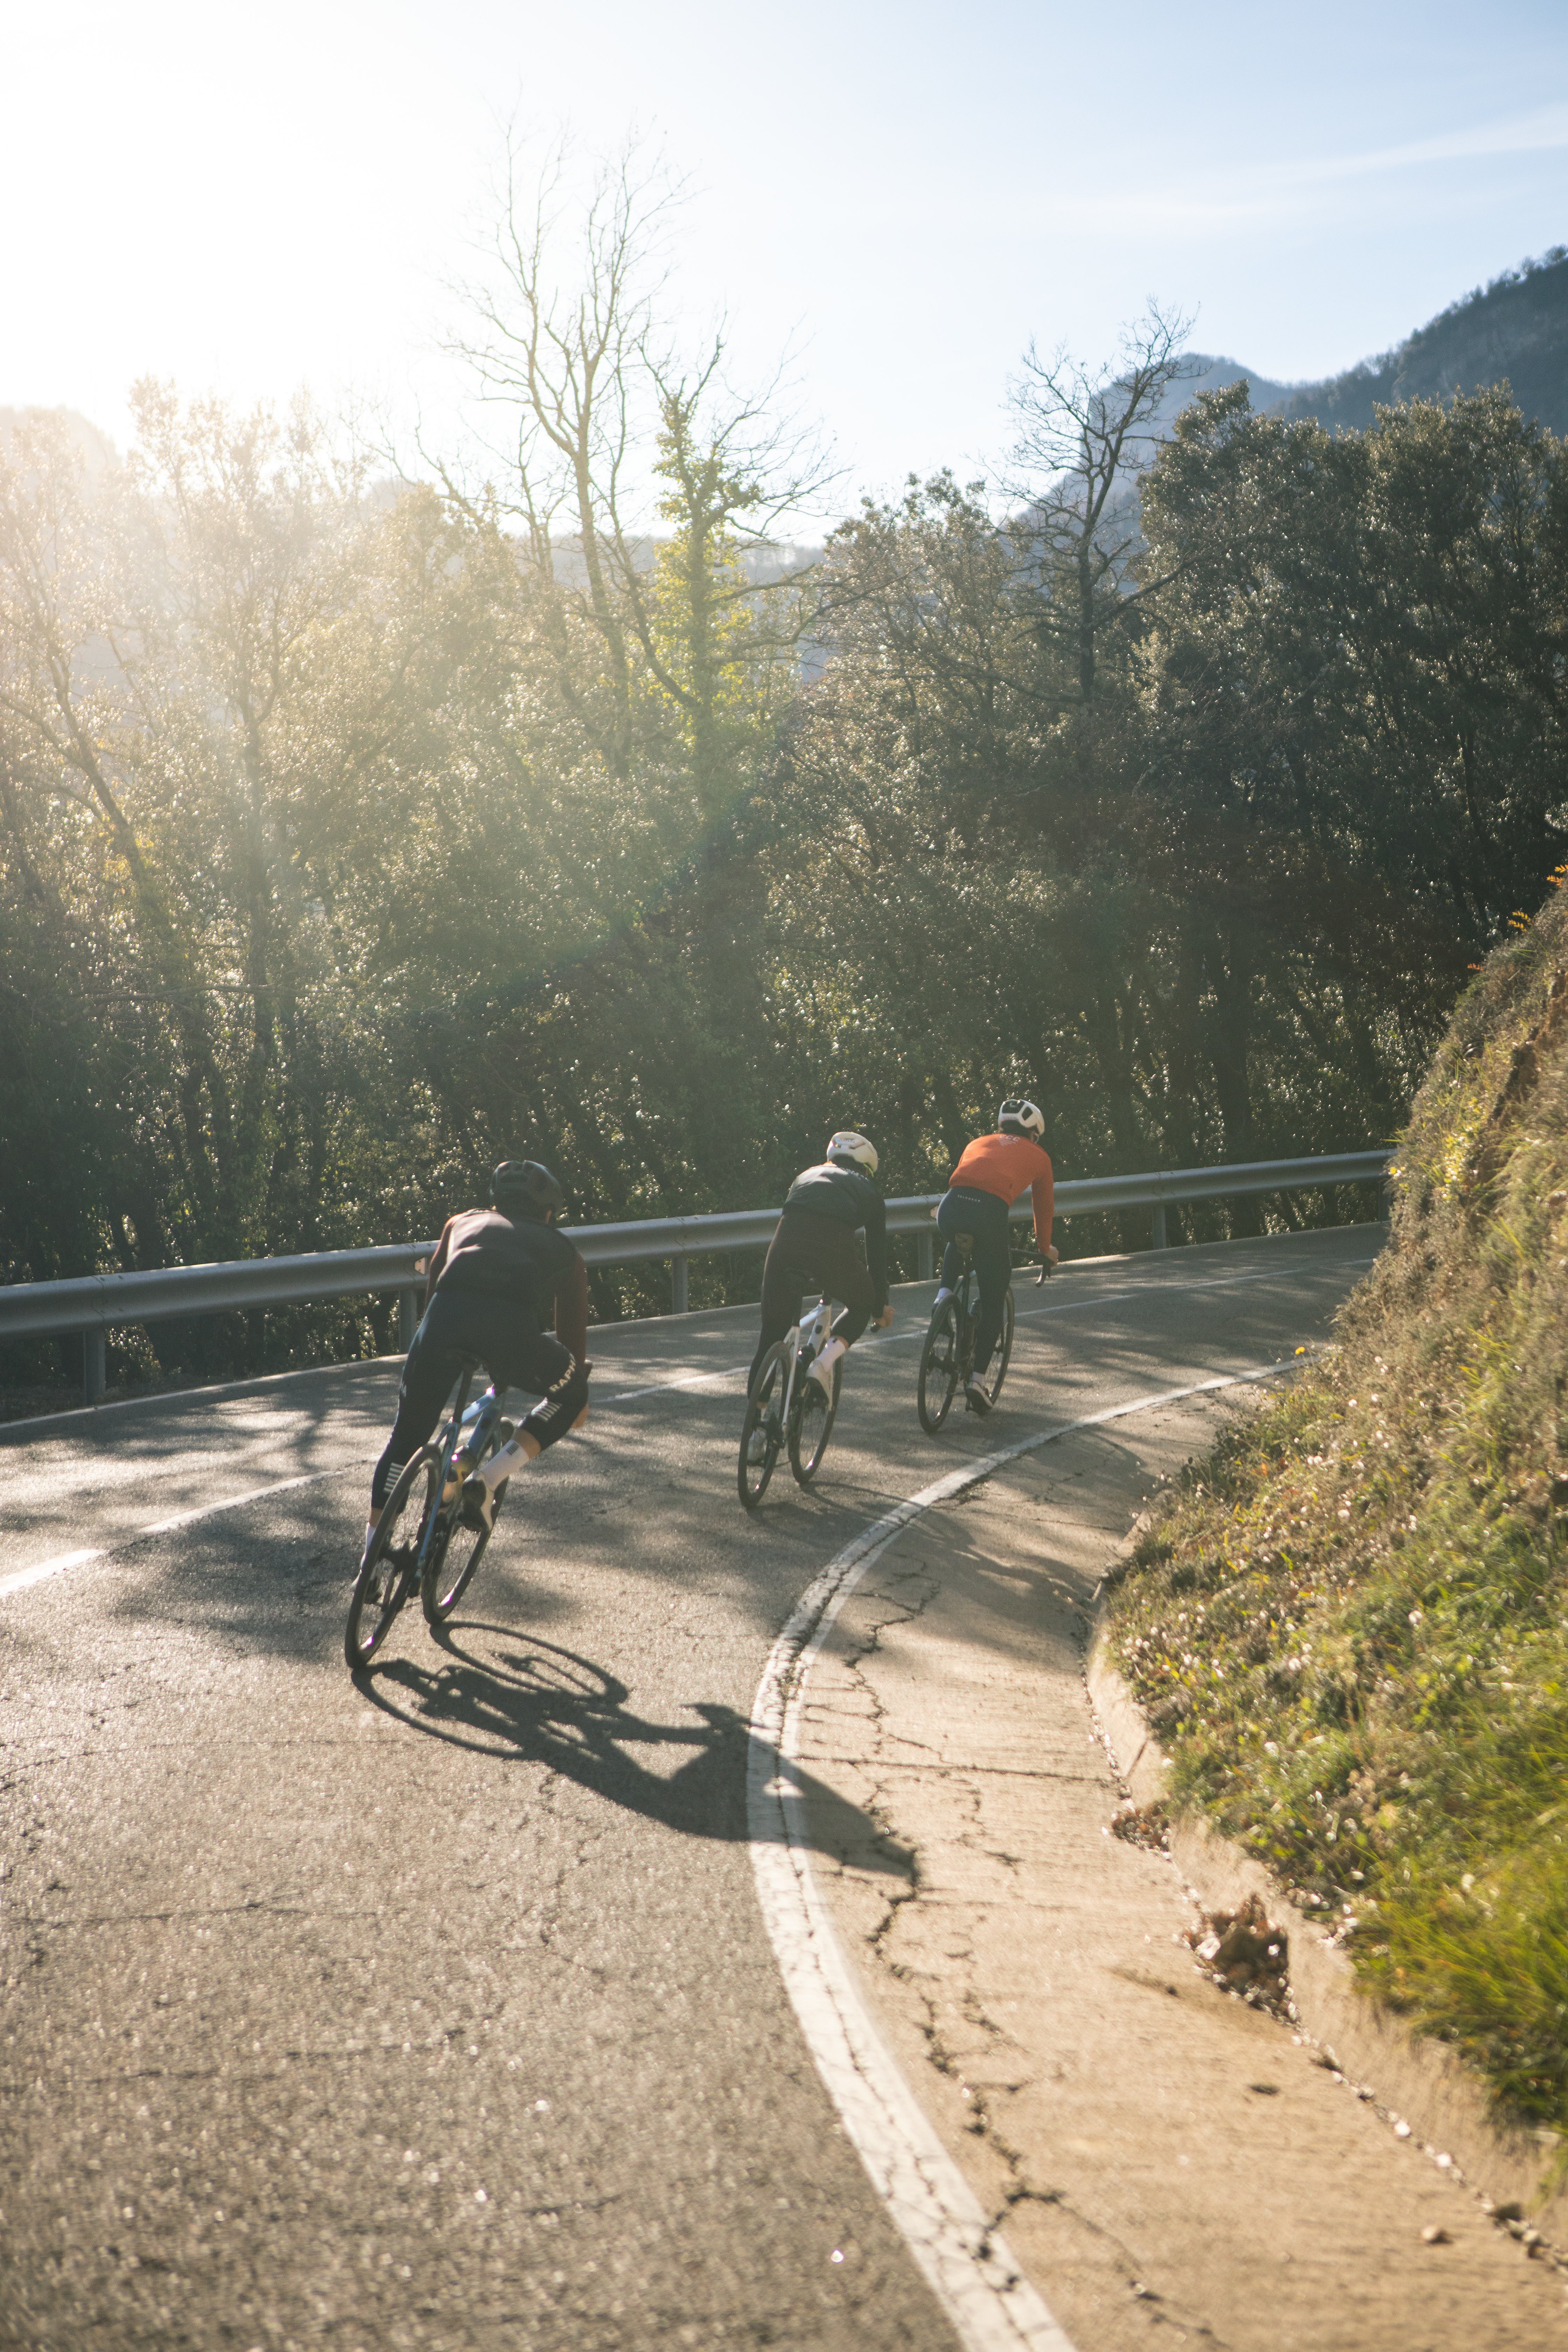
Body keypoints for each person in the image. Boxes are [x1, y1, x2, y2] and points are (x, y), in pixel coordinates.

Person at [364, 1159, 591, 1559]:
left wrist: (436, 1346)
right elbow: (572, 1343)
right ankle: (486, 1482)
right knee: (573, 1396)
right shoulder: (564, 1251)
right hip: (512, 1338)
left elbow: (436, 1290)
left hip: (441, 1328)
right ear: (548, 1211)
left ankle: (371, 1554)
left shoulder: (459, 1224)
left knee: (407, 1436)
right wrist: (574, 1385)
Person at [746, 1130, 894, 1421]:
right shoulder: (870, 1190)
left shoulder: (807, 1174)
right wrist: (879, 1307)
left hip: (785, 1244)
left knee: (771, 1335)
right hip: (831, 1249)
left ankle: (755, 1430)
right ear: (867, 1168)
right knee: (863, 1302)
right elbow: (877, 1259)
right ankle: (821, 1365)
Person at [937, 1099, 1058, 1415]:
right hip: (989, 1215)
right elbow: (1043, 1209)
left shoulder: (977, 1142)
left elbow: (971, 1179)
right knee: (994, 1299)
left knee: (959, 1238)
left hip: (950, 1207)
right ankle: (977, 1381)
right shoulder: (1039, 1156)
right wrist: (1045, 1250)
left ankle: (944, 1296)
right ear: (1034, 1134)